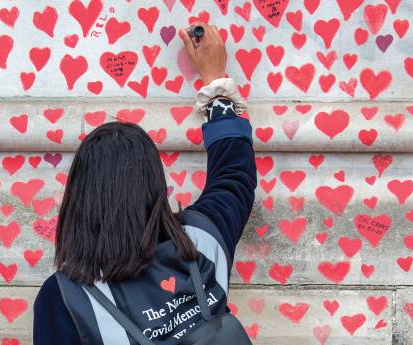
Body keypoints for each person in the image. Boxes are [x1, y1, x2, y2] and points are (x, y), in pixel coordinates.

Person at [33, 22, 257, 345]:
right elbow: (235, 175)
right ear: (155, 186)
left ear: (79, 201)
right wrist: (215, 82)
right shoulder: (203, 238)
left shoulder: (67, 300)